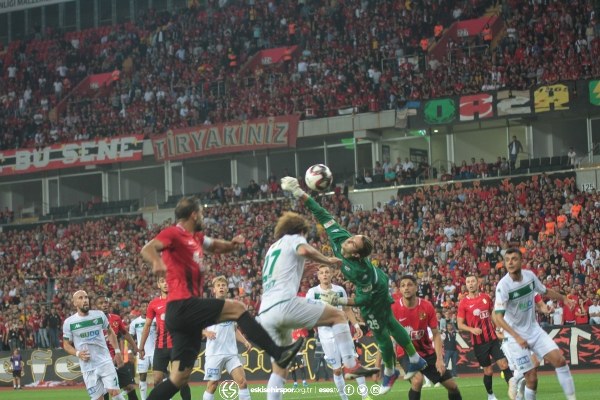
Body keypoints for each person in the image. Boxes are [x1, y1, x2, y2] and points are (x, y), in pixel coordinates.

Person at [141, 196, 304, 400]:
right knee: (236, 308)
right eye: (200, 213)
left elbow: (216, 245)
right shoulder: (174, 233)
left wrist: (232, 245)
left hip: (183, 315)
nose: (202, 216)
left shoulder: (196, 237)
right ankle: (279, 353)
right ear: (193, 214)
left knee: (178, 379)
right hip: (183, 305)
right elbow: (147, 248)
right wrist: (156, 262)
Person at [281, 176, 427, 395]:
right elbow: (321, 213)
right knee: (391, 320)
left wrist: (339, 300)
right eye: (351, 238)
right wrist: (299, 192)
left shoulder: (362, 271)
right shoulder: (341, 238)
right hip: (378, 282)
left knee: (381, 333)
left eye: (352, 242)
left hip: (373, 291)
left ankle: (390, 371)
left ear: (357, 254)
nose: (347, 240)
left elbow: (363, 300)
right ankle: (415, 359)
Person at [256, 210, 378, 400]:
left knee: (279, 369)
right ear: (300, 230)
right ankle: (351, 364)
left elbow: (280, 279)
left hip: (266, 312)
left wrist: (300, 274)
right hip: (283, 304)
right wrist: (327, 260)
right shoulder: (293, 238)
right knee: (337, 316)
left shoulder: (272, 248)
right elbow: (304, 250)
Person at [492, 248, 576, 400]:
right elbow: (497, 317)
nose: (510, 262)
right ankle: (516, 383)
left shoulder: (530, 276)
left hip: (534, 330)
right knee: (531, 378)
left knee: (560, 361)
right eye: (507, 259)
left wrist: (563, 298)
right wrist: (516, 336)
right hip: (514, 337)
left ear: (521, 261)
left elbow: (545, 291)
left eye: (514, 259)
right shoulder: (503, 285)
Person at [306, 264, 371, 400]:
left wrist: (357, 326)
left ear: (331, 275)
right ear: (318, 276)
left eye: (327, 272)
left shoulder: (339, 290)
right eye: (322, 273)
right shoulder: (312, 293)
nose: (324, 275)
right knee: (336, 370)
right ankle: (344, 397)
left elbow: (347, 309)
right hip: (326, 335)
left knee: (353, 364)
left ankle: (365, 396)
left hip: (342, 331)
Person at [392, 274, 463, 400]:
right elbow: (388, 335)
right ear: (400, 290)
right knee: (417, 381)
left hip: (427, 353)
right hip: (406, 353)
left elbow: (436, 334)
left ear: (416, 287)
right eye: (402, 286)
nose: (406, 288)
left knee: (452, 386)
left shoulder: (427, 306)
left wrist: (439, 359)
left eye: (409, 285)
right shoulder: (394, 308)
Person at [457, 274, 513, 400]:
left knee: (504, 364)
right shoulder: (463, 303)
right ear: (466, 285)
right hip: (479, 343)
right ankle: (491, 395)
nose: (470, 284)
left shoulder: (486, 297)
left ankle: (514, 392)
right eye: (468, 282)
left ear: (477, 283)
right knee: (488, 371)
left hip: (492, 339)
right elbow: (460, 324)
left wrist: (498, 328)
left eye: (472, 281)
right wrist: (472, 329)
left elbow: (492, 314)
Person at [62, 290, 124, 400]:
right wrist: (77, 353)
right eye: (80, 298)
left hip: (105, 361)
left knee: (115, 393)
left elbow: (110, 332)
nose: (85, 300)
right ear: (74, 303)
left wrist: (118, 352)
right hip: (88, 367)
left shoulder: (99, 315)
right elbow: (66, 344)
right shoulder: (69, 322)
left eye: (86, 297)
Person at [139, 277, 191, 400]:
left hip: (177, 347)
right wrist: (141, 347)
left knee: (182, 380)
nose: (166, 283)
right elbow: (147, 326)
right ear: (158, 285)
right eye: (162, 281)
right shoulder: (153, 304)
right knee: (157, 380)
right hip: (160, 348)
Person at [202, 275, 253, 400]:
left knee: (242, 382)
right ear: (214, 289)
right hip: (214, 353)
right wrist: (205, 333)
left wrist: (245, 341)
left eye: (223, 285)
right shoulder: (207, 307)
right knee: (212, 385)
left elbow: (234, 329)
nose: (221, 287)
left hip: (231, 353)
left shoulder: (232, 307)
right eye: (218, 285)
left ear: (226, 289)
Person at [96, 296, 140, 400]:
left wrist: (135, 347)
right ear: (96, 306)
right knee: (104, 391)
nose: (104, 305)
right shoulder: (92, 322)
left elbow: (125, 334)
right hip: (101, 361)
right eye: (101, 303)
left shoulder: (116, 318)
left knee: (130, 386)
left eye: (106, 302)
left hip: (117, 360)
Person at [129, 302, 157, 400]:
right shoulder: (135, 322)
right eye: (143, 306)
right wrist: (130, 351)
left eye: (147, 306)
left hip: (155, 352)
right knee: (142, 376)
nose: (145, 308)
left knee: (158, 376)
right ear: (139, 308)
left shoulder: (155, 320)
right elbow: (130, 337)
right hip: (142, 353)